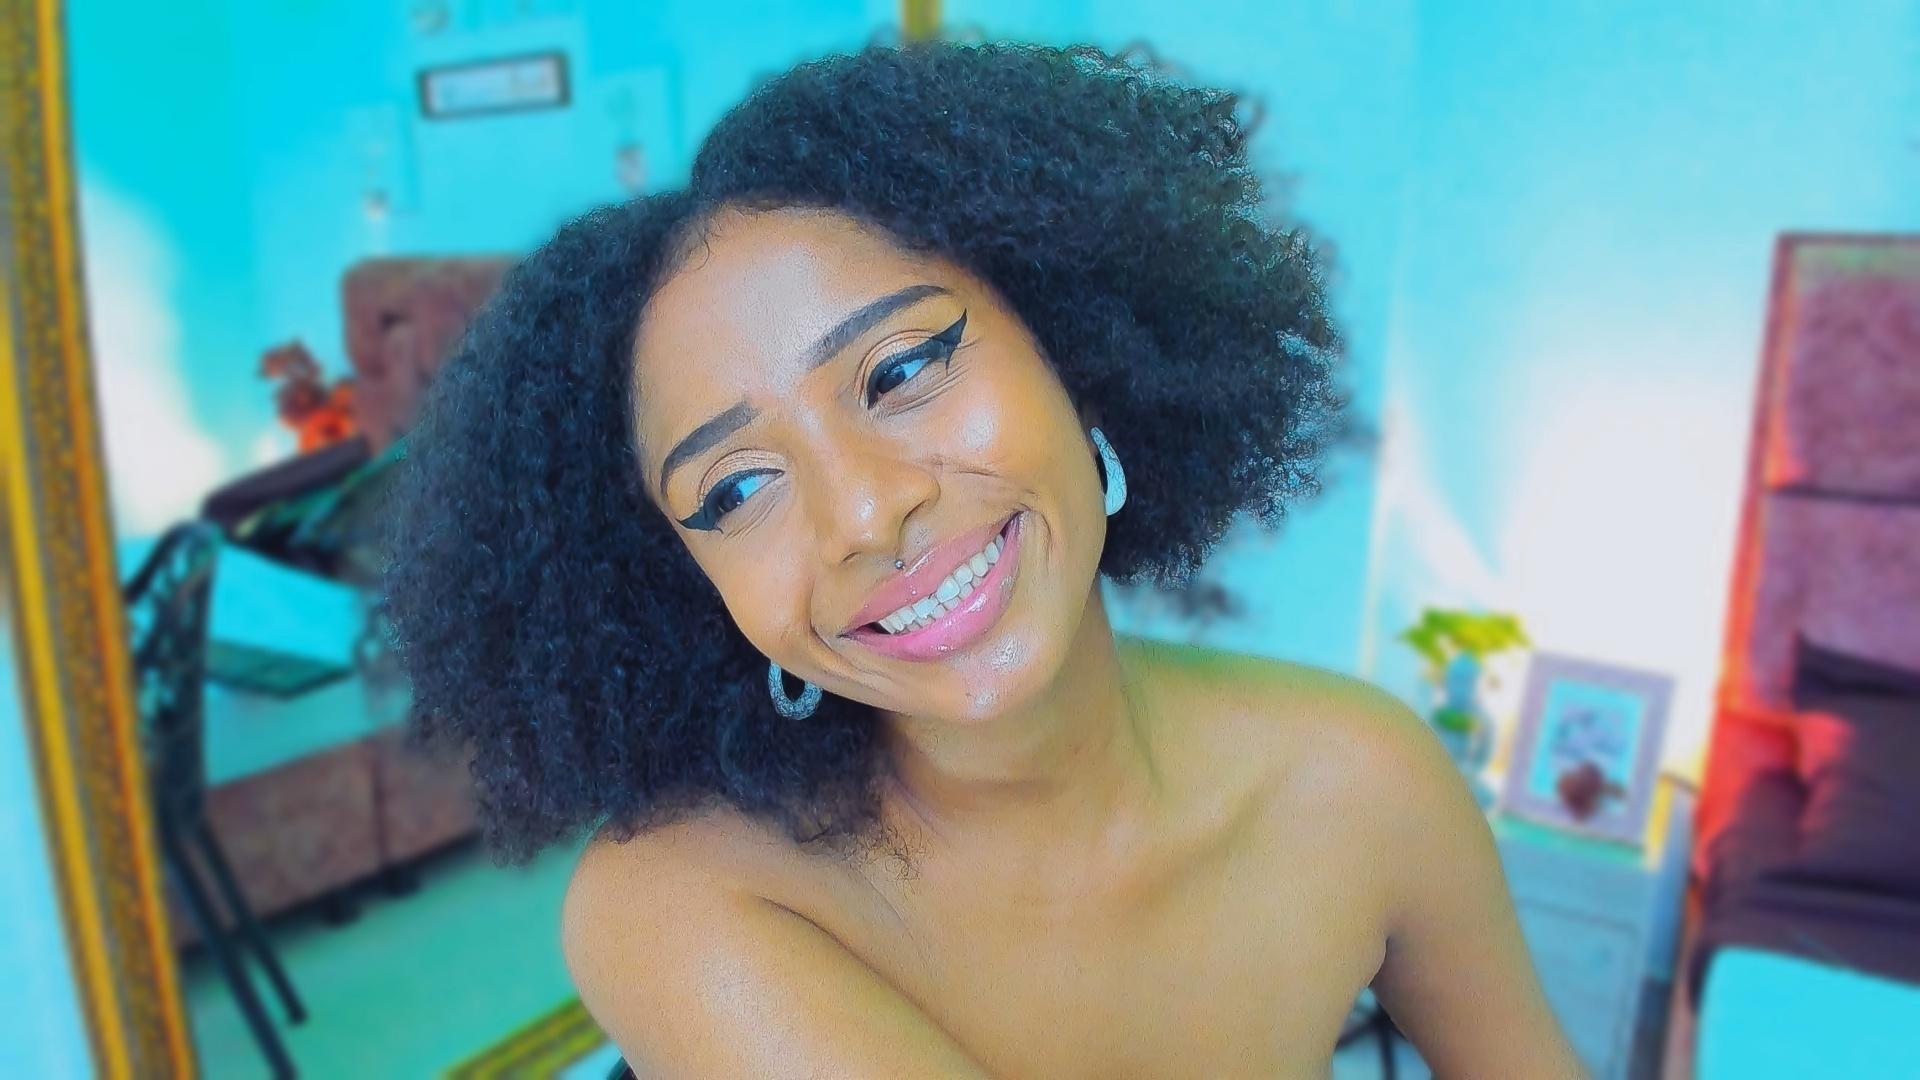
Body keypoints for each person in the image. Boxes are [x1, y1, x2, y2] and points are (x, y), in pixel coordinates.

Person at [382, 39, 1584, 1079]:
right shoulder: (679, 901)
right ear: (685, 584)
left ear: (1074, 352)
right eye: (737, 489)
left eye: (901, 371)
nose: (865, 514)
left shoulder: (1362, 781)